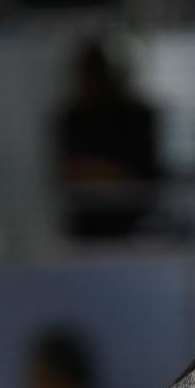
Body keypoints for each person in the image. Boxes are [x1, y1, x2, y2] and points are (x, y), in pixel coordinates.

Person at [52, 39, 162, 240]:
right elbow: (68, 172)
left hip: (137, 220)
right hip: (86, 224)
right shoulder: (73, 119)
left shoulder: (135, 116)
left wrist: (101, 173)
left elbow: (143, 172)